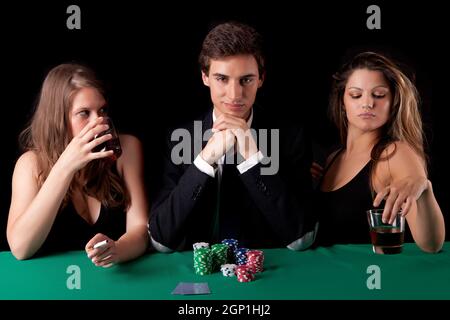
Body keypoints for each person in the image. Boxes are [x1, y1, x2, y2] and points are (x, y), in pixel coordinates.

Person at [149, 21, 315, 251]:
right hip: (201, 274)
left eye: (246, 79)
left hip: (267, 276)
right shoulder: (181, 138)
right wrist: (204, 159)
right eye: (222, 79)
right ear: (205, 78)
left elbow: (301, 239)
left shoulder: (289, 137)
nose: (235, 94)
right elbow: (160, 241)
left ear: (261, 79)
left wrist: (252, 158)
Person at [7, 63, 149, 265]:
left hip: (115, 283)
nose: (99, 121)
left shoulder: (127, 149)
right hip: (53, 287)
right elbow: (20, 248)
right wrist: (66, 166)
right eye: (84, 113)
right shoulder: (31, 164)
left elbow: (140, 231)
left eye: (102, 110)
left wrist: (117, 249)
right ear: (59, 120)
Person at [312, 52, 445, 252]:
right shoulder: (333, 157)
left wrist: (423, 189)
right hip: (327, 277)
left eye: (379, 95)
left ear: (393, 103)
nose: (367, 103)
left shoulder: (394, 153)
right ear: (342, 102)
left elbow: (432, 244)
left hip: (373, 279)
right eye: (356, 95)